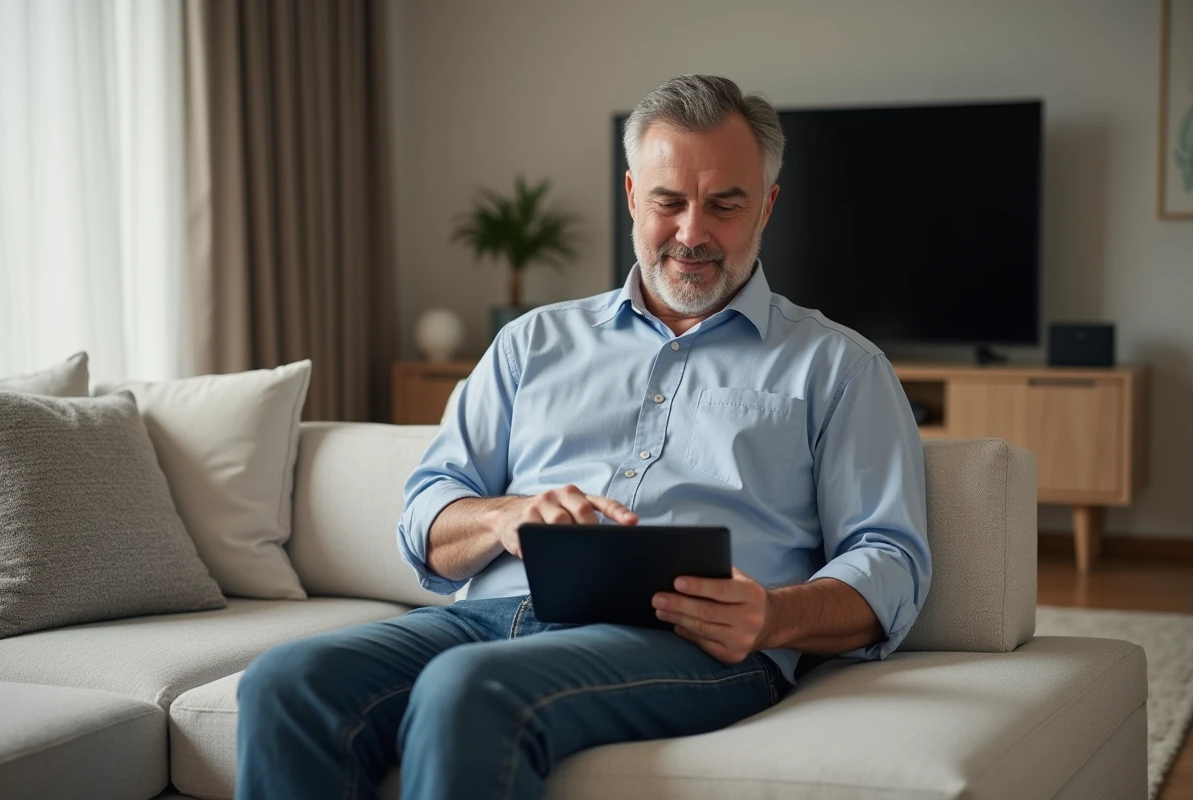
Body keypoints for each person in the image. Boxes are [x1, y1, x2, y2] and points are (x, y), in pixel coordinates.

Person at [235, 74, 931, 800]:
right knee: (287, 681)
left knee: (469, 688)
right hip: (490, 619)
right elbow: (426, 517)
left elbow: (891, 561)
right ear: (632, 196)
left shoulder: (840, 367)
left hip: (693, 647)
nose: (692, 233)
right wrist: (505, 517)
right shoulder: (529, 343)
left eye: (725, 205)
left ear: (768, 206)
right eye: (668, 202)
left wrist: (775, 617)